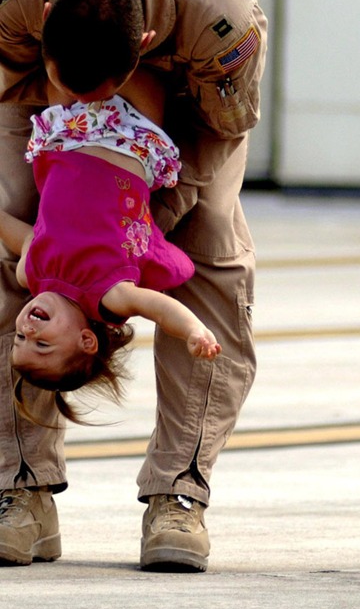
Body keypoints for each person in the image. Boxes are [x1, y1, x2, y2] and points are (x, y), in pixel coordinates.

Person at [0, 0, 267, 571]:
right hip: (33, 92)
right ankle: (18, 489)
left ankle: (179, 494)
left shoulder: (221, 19)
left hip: (187, 93)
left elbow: (221, 130)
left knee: (212, 252)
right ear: (46, 15)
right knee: (10, 257)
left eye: (100, 91)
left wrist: (137, 229)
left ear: (144, 43)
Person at [0, 56, 221, 411]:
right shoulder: (108, 296)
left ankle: (72, 24)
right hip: (128, 141)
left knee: (67, 62)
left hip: (66, 137)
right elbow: (162, 308)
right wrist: (194, 331)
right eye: (42, 344)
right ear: (87, 341)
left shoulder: (31, 273)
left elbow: (24, 237)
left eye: (20, 339)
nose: (30, 330)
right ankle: (136, 41)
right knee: (133, 68)